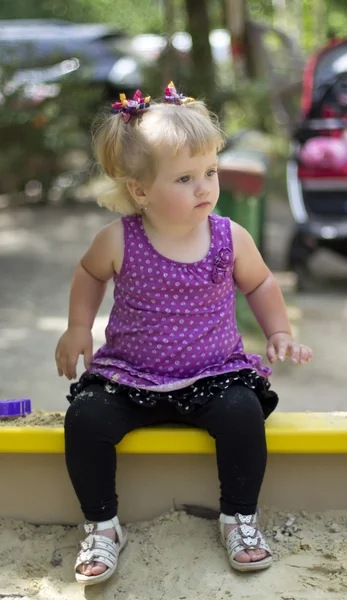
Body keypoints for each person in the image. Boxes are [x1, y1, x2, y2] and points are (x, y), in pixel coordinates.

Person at [55, 82, 312, 586]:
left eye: (211, 172)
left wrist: (278, 330)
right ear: (140, 191)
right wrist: (78, 327)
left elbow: (259, 281)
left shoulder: (228, 236)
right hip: (130, 375)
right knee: (84, 419)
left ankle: (239, 517)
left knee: (242, 416)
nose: (205, 188)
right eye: (186, 178)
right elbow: (88, 275)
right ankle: (103, 525)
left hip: (213, 373)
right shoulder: (118, 240)